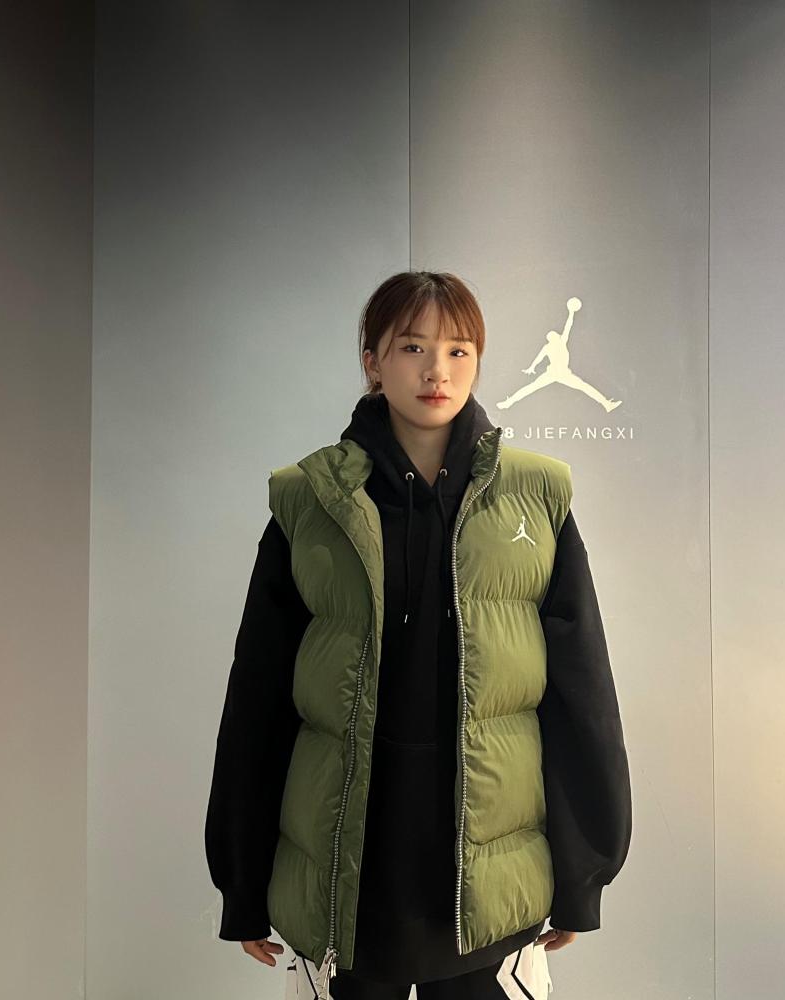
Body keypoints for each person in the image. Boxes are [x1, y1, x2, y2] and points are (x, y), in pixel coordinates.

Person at [205, 271, 632, 999]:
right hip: (350, 875)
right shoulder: (310, 502)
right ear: (372, 361)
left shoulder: (535, 496)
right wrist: (241, 883)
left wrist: (582, 873)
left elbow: (582, 697)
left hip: (486, 874)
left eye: (459, 350)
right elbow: (258, 702)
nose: (438, 370)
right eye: (412, 347)